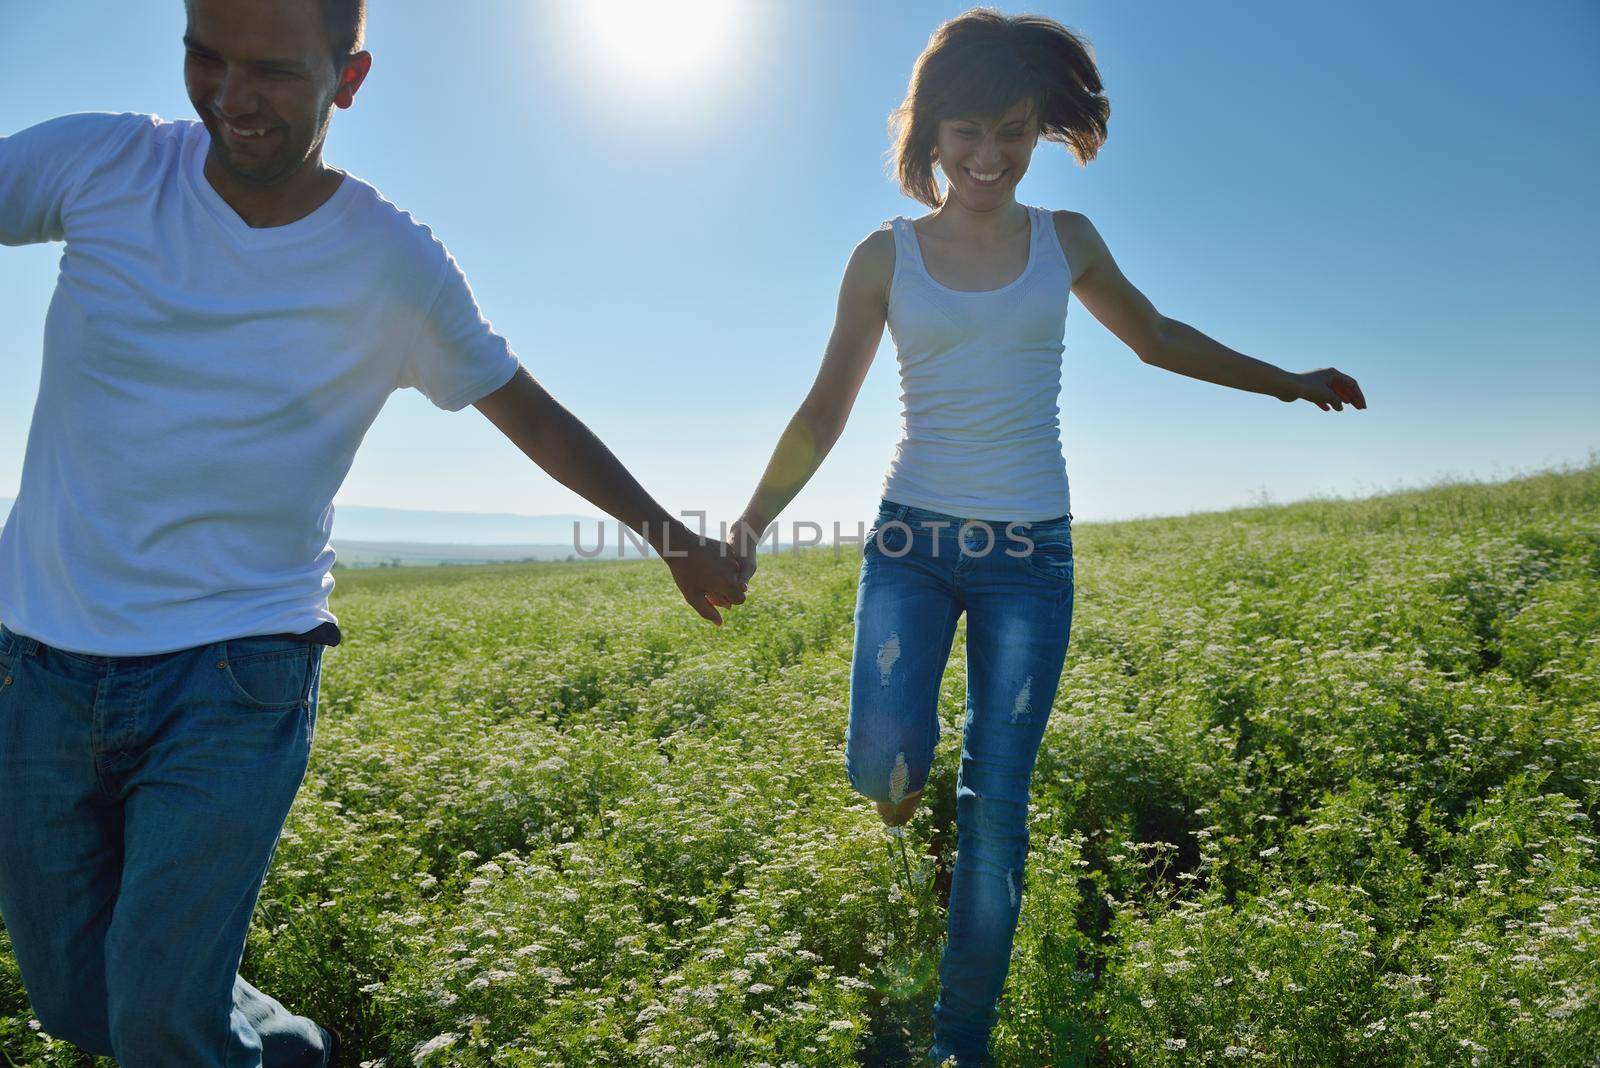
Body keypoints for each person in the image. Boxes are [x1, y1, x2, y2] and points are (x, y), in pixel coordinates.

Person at [0, 0, 745, 1063]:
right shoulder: (105, 161)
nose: (229, 96)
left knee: (158, 1023)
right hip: (38, 661)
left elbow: (523, 406)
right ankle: (291, 1050)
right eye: (203, 59)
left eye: (269, 73)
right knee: (81, 1006)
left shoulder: (390, 261)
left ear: (347, 81)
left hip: (235, 669)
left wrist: (672, 538)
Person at [728, 9, 1366, 1066]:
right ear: (929, 132)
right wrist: (745, 529)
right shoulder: (881, 257)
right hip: (911, 547)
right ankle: (903, 813)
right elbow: (823, 410)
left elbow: (1155, 338)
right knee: (884, 767)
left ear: (1039, 133)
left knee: (997, 805)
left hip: (1030, 558)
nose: (989, 156)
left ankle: (958, 1043)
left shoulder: (1064, 241)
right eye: (968, 131)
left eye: (1013, 133)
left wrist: (1287, 383)